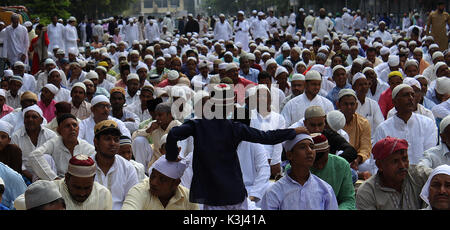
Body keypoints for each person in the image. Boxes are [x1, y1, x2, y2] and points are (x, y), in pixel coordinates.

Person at [165, 83, 310, 210]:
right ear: (230, 104)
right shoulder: (234, 128)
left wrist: (171, 157)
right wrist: (293, 131)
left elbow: (173, 134)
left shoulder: (197, 125)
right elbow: (267, 137)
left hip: (210, 194)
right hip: (233, 193)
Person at [261, 133, 338, 210]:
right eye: (302, 147)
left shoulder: (325, 189)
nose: (310, 151)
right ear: (289, 155)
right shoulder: (274, 192)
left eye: (312, 147)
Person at [356, 137, 432, 210]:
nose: (402, 165)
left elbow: (440, 175)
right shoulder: (367, 192)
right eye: (395, 161)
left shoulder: (419, 175)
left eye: (404, 159)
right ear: (380, 165)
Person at [374, 84, 438, 165]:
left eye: (412, 95)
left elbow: (430, 154)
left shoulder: (427, 123)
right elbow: (379, 157)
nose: (411, 98)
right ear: (394, 102)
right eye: (405, 95)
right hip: (393, 175)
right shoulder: (383, 128)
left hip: (421, 173)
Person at [27, 113, 95, 180]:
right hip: (57, 184)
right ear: (59, 131)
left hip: (80, 183)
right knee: (46, 158)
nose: (72, 128)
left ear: (78, 129)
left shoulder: (87, 147)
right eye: (67, 126)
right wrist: (54, 178)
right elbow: (34, 155)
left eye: (75, 125)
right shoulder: (54, 142)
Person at [122, 155, 198, 210]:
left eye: (162, 179)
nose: (154, 182)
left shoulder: (187, 197)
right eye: (153, 176)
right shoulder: (139, 191)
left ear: (176, 183)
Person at [92, 120, 139, 210]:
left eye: (116, 139)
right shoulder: (86, 167)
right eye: (107, 139)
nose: (113, 143)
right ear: (96, 142)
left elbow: (132, 200)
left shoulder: (128, 167)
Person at [309, 133, 356, 210]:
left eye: (323, 161)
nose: (320, 166)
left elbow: (348, 200)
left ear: (328, 150)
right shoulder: (296, 168)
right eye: (315, 163)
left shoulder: (342, 165)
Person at [11, 105, 56, 182]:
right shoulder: (16, 136)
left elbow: (55, 158)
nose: (30, 119)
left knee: (46, 157)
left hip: (48, 175)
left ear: (41, 120)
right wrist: (32, 178)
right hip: (25, 176)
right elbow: (17, 163)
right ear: (24, 120)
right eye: (27, 117)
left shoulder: (51, 135)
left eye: (34, 117)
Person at [132, 102, 181, 171]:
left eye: (160, 115)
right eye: (156, 115)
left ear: (170, 115)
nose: (157, 118)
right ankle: (142, 171)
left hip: (175, 162)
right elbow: (134, 136)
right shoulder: (154, 125)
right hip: (155, 161)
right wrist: (148, 130)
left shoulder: (178, 127)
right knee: (139, 140)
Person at [337, 89, 372, 174]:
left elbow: (365, 147)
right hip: (337, 159)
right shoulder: (333, 120)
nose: (349, 107)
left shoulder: (363, 122)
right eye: (346, 104)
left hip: (356, 161)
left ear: (356, 105)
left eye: (352, 104)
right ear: (338, 105)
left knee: (370, 164)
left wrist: (357, 160)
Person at [352, 72, 384, 139]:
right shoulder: (350, 104)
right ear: (354, 87)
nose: (364, 87)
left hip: (371, 140)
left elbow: (379, 124)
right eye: (360, 85)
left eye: (365, 84)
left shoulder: (373, 104)